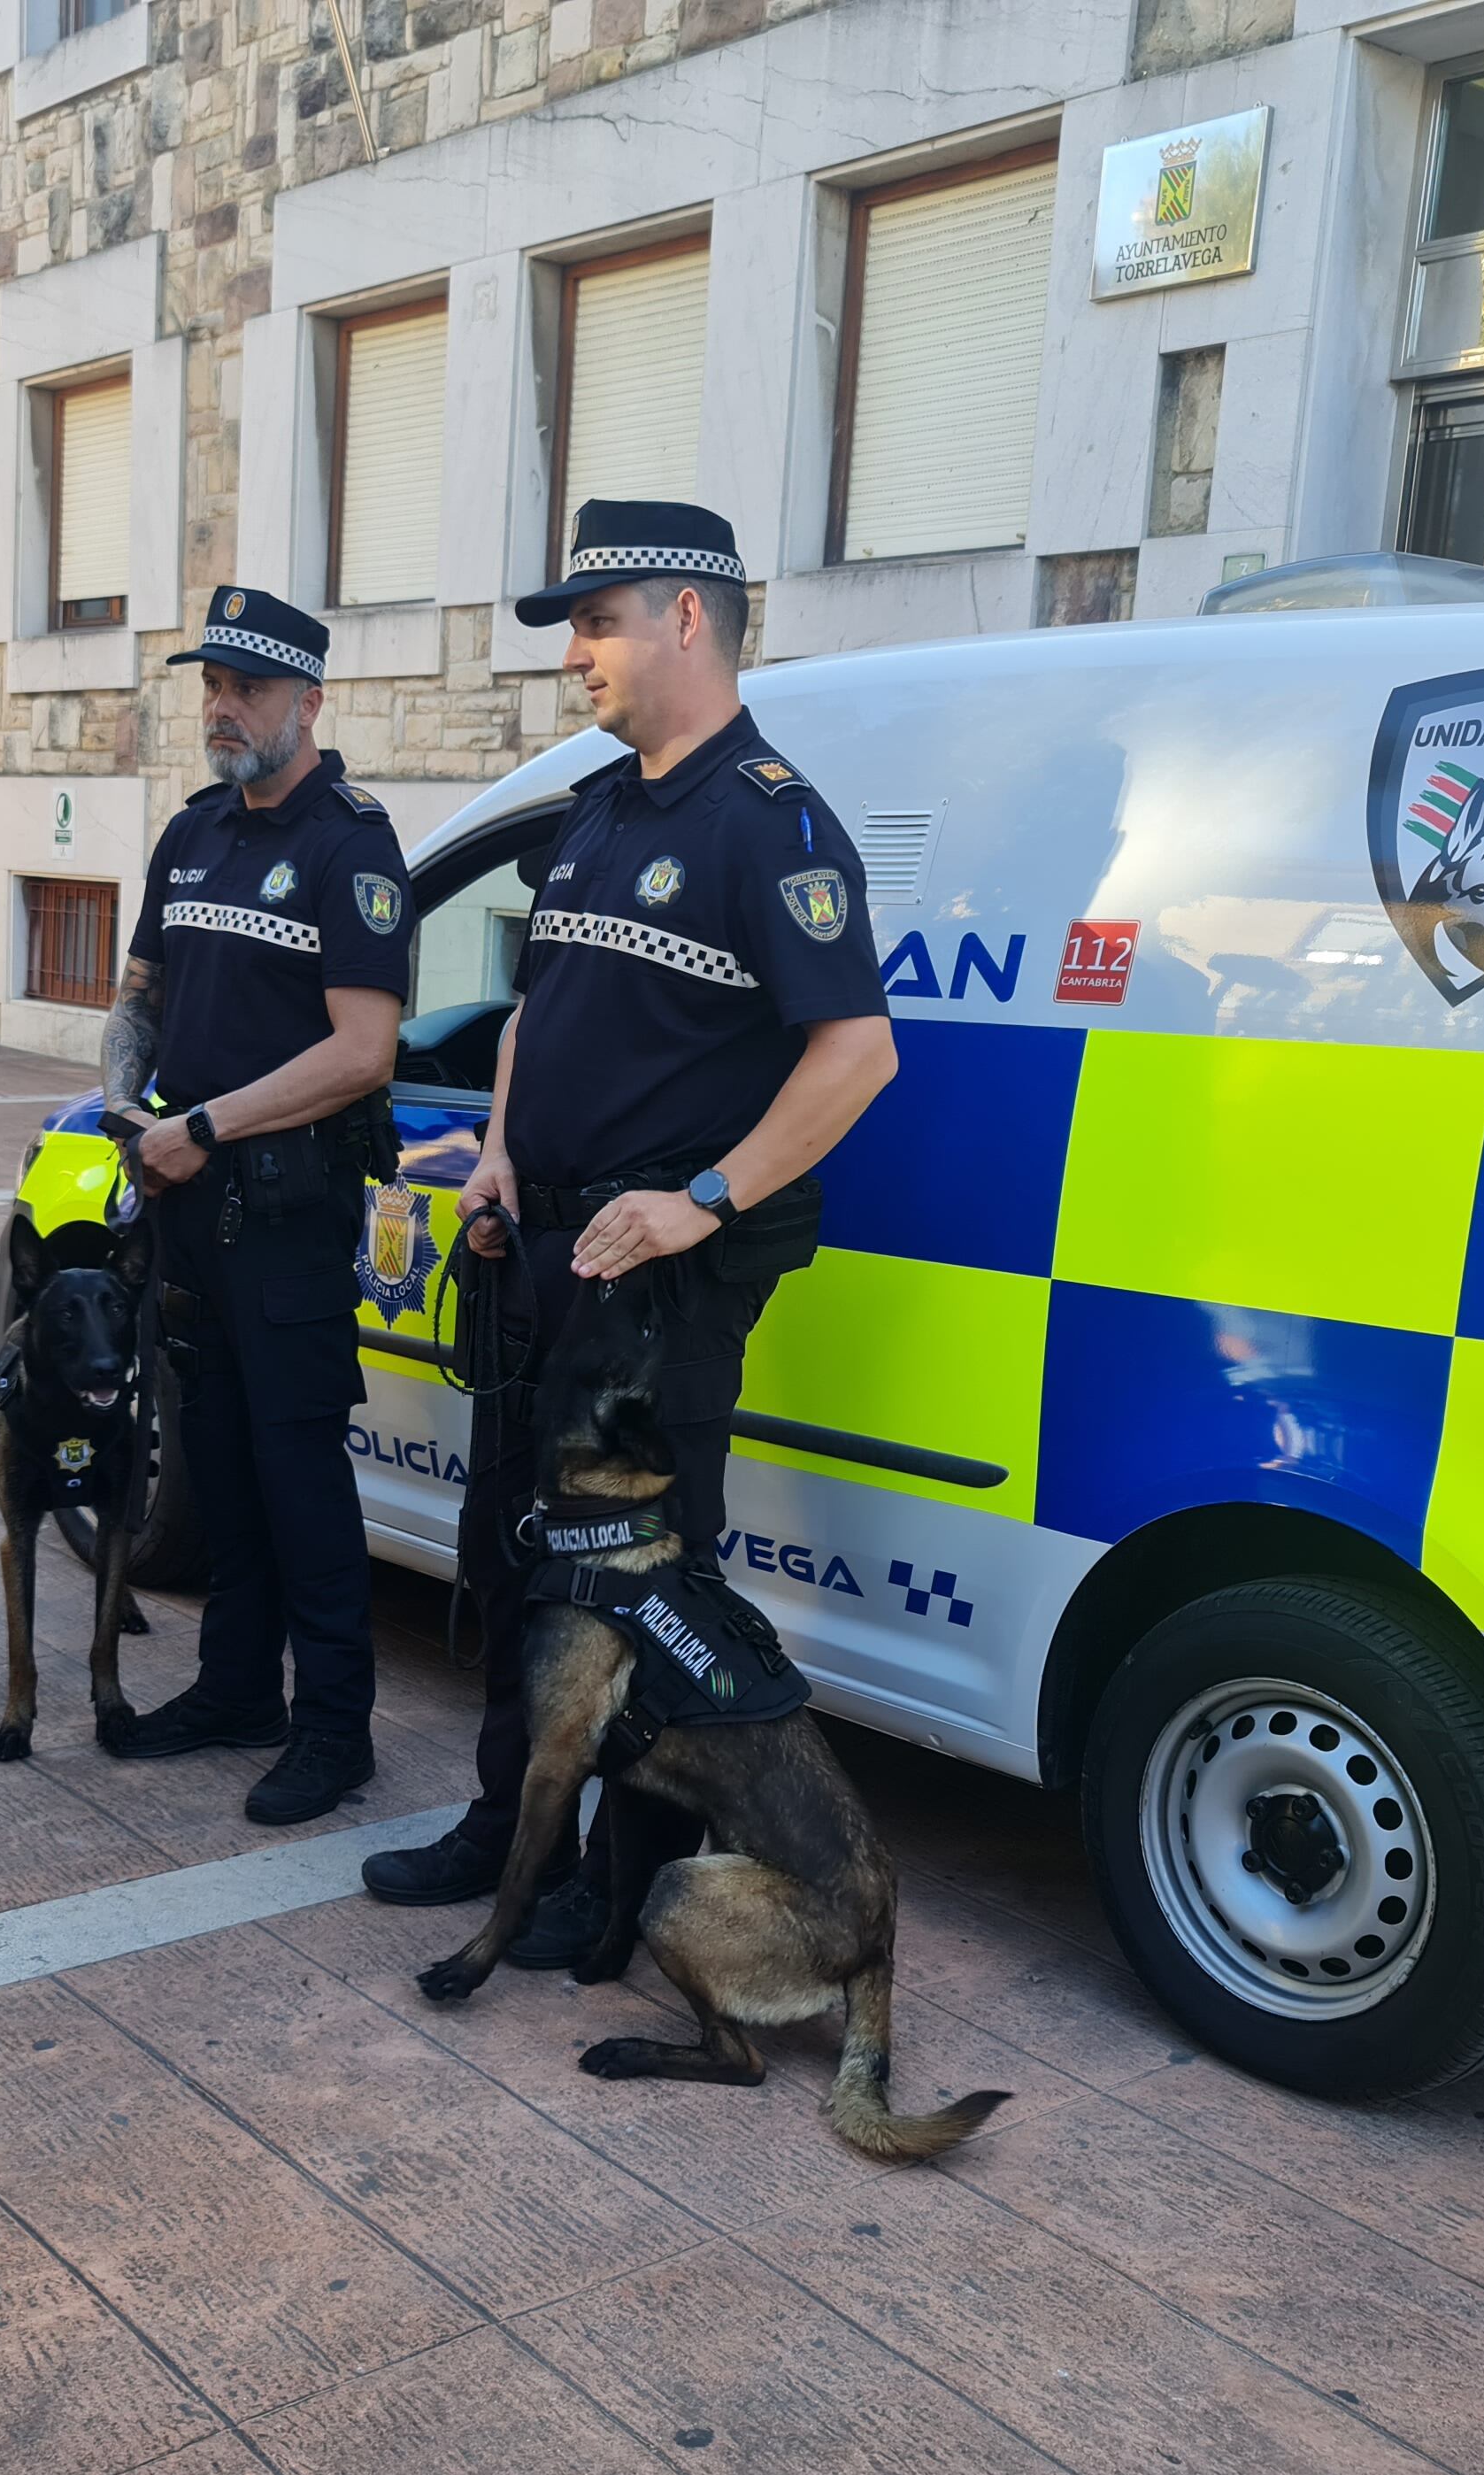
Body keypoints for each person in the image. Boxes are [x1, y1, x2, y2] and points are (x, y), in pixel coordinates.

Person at [359, 499, 896, 1957]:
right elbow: (540, 1007)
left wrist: (701, 1200)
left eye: (597, 620)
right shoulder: (601, 805)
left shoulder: (769, 818)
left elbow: (857, 1055)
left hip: (663, 1288)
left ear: (688, 616)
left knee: (646, 1596)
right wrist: (498, 1156)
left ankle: (611, 1892)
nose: (577, 654)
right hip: (541, 1248)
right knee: (513, 1555)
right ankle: (501, 1833)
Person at [99, 586, 414, 1823]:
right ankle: (236, 1690)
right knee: (219, 1466)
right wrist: (125, 1097)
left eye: (249, 689)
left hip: (284, 1212)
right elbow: (141, 995)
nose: (224, 709)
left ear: (308, 702)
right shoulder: (193, 833)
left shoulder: (351, 844)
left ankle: (337, 1727)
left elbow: (365, 1049)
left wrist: (205, 1127)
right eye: (212, 686)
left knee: (297, 1475)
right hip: (183, 1195)